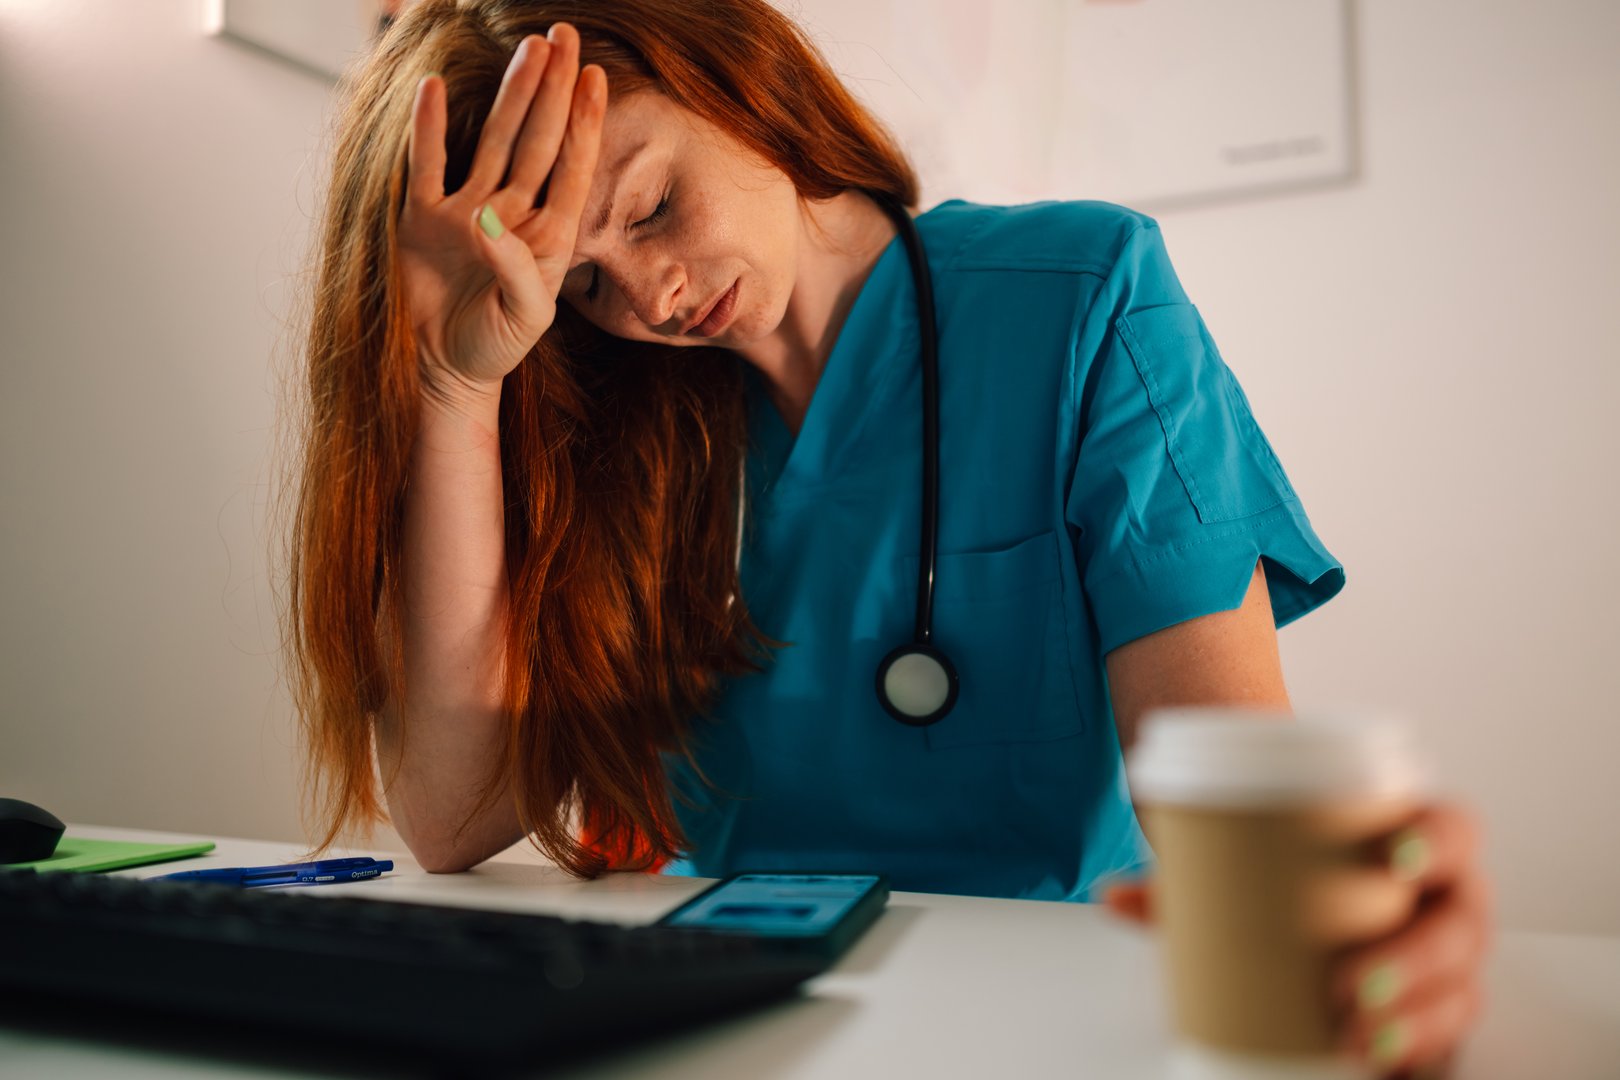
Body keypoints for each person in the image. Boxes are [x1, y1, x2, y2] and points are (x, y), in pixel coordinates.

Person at [281, 0, 1490, 1072]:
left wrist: (1335, 920)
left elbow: (1224, 770)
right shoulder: (616, 424)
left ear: (733, 70)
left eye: (649, 205)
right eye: (585, 286)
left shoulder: (1083, 295)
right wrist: (453, 385)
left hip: (1051, 1020)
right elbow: (451, 815)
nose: (648, 297)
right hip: (727, 1023)